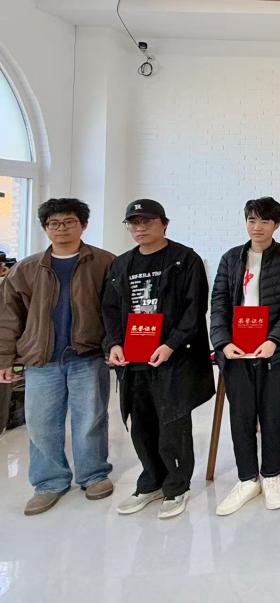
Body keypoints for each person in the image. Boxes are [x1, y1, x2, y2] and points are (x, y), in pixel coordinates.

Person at [0, 198, 116, 515]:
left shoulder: (104, 262)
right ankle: (49, 482)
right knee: (41, 424)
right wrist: (5, 358)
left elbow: (115, 311)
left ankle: (94, 475)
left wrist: (114, 346)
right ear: (45, 228)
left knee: (91, 419)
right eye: (54, 223)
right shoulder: (27, 268)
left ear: (83, 225)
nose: (61, 228)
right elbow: (9, 317)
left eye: (69, 222)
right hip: (42, 360)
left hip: (87, 355)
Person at [103, 199, 215, 519]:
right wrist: (113, 344)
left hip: (172, 359)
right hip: (134, 360)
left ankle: (177, 486)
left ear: (164, 224)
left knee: (172, 425)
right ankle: (151, 481)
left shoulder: (184, 260)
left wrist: (170, 344)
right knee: (141, 425)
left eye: (147, 222)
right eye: (133, 223)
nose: (140, 228)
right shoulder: (121, 265)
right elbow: (109, 309)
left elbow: (195, 309)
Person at [209, 197, 280, 515]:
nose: (257, 227)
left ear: (276, 224)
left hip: (273, 351)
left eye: (264, 221)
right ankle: (247, 478)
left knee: (274, 415)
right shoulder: (231, 258)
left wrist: (276, 340)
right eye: (252, 220)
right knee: (242, 417)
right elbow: (218, 302)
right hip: (236, 352)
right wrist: (222, 342)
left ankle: (272, 476)